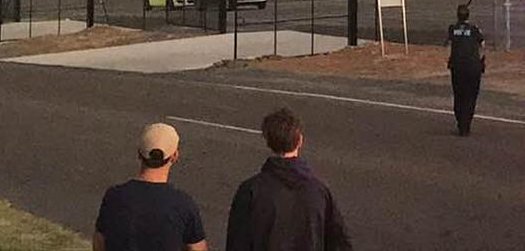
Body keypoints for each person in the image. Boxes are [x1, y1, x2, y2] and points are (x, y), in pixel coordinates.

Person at [227, 107, 352, 251]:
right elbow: (339, 242)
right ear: (300, 141)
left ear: (269, 142)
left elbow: (237, 243)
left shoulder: (250, 191)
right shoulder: (319, 191)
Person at [94, 122, 207, 251]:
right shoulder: (183, 205)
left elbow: (99, 243)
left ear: (139, 154)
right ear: (175, 156)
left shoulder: (114, 197)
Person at [446, 3, 485, 136]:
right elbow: (482, 45)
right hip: (473, 67)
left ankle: (460, 122)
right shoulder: (474, 29)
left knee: (459, 95)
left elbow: (449, 45)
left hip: (457, 67)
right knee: (471, 96)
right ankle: (466, 123)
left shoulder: (452, 29)